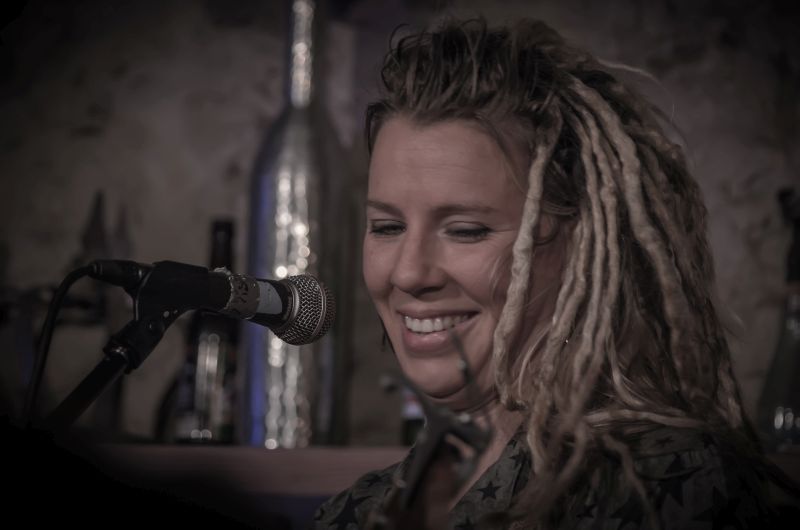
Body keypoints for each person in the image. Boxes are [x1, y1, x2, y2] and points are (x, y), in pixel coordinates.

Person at [313, 17, 792, 529]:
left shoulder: (663, 485)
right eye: (387, 227)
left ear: (578, 243)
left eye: (466, 230)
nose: (409, 273)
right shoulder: (355, 512)